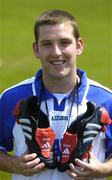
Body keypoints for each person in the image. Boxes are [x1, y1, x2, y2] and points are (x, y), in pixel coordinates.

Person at [0, 9, 112, 180]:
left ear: (79, 46)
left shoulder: (106, 100)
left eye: (64, 42)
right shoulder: (12, 98)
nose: (56, 52)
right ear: (36, 49)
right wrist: (13, 164)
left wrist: (103, 169)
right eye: (47, 44)